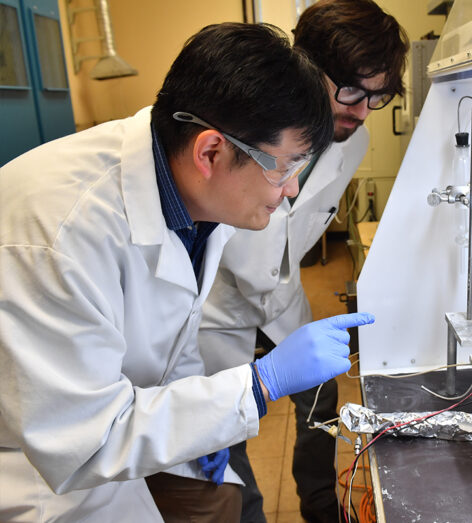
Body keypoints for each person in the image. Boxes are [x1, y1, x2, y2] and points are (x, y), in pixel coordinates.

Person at [0, 22, 373, 522]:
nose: (288, 190)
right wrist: (258, 385)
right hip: (46, 470)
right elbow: (83, 441)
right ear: (211, 151)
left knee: (223, 502)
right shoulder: (56, 235)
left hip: (129, 421)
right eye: (284, 168)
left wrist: (206, 425)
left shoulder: (188, 190)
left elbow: (175, 335)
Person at [198, 2, 409, 522]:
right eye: (352, 89)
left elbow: (298, 223)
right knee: (223, 429)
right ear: (305, 64)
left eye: (377, 96)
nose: (361, 111)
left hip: (281, 297)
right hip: (214, 306)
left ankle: (319, 507)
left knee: (320, 396)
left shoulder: (351, 138)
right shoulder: (246, 124)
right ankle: (244, 510)